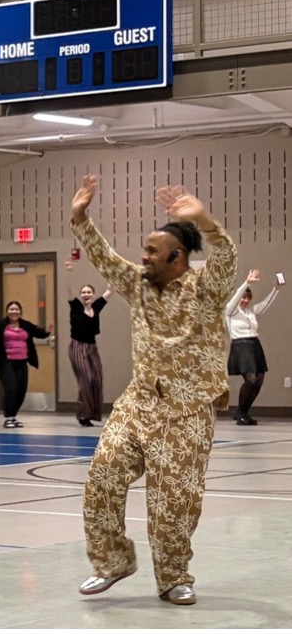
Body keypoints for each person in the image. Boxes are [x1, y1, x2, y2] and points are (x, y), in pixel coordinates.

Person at [71, 177, 236, 606]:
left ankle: (173, 576)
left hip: (187, 412)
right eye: (143, 249)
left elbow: (227, 257)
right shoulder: (138, 284)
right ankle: (111, 563)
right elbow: (104, 258)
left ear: (177, 257)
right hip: (139, 402)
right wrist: (80, 217)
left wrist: (203, 220)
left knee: (173, 502)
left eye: (151, 250)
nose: (143, 256)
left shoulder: (206, 291)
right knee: (104, 473)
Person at [0, 301, 53, 429]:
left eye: (17, 309)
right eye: (12, 309)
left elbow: (39, 333)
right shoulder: (1, 324)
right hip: (6, 362)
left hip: (22, 362)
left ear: (20, 311)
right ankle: (8, 417)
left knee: (20, 391)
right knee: (11, 388)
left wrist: (47, 330)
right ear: (7, 311)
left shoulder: (25, 325)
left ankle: (13, 416)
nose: (14, 312)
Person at [225, 269, 279, 425]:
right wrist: (246, 283)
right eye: (243, 297)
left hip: (254, 345)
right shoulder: (231, 311)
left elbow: (265, 304)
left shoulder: (251, 312)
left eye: (248, 298)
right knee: (251, 379)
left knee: (259, 379)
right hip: (241, 347)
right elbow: (233, 300)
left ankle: (243, 410)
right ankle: (240, 411)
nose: (245, 300)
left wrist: (276, 289)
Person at [66, 259, 112, 427]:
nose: (86, 294)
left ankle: (92, 414)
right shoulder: (76, 307)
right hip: (77, 346)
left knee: (97, 379)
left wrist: (110, 274)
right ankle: (82, 414)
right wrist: (70, 272)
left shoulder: (97, 306)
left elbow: (110, 291)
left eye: (89, 292)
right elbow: (69, 289)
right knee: (86, 378)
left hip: (92, 347)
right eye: (83, 292)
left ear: (93, 295)